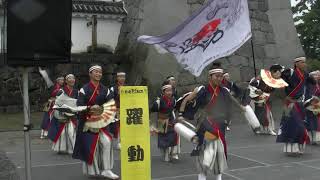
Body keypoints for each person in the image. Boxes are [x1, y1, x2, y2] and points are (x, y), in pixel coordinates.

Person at [178, 68, 243, 180]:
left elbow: (230, 103)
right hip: (206, 124)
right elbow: (191, 102)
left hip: (220, 125)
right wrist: (182, 115)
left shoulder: (224, 90)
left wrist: (235, 113)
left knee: (220, 152)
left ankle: (218, 177)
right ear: (210, 77)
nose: (219, 78)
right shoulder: (203, 89)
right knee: (206, 154)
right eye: (216, 76)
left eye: (221, 76)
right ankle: (202, 177)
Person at [72, 65, 118, 179]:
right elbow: (79, 105)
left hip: (101, 121)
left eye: (100, 72)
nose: (98, 74)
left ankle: (106, 170)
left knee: (107, 142)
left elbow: (111, 103)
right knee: (90, 146)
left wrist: (103, 109)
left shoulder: (105, 89)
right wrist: (90, 108)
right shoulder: (84, 89)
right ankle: (92, 170)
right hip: (88, 122)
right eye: (96, 72)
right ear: (90, 74)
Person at [276, 57, 313, 156]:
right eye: (302, 62)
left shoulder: (306, 75)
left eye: (305, 62)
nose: (305, 64)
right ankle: (290, 149)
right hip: (290, 103)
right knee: (291, 125)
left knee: (300, 126)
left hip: (300, 103)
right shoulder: (290, 72)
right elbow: (279, 83)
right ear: (296, 63)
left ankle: (298, 148)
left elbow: (312, 83)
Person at [248, 64, 284, 135]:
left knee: (267, 114)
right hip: (254, 99)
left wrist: (264, 96)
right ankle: (256, 129)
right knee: (255, 114)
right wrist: (257, 93)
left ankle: (269, 129)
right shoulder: (259, 78)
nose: (280, 73)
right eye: (278, 71)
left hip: (264, 99)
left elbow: (270, 90)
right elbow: (251, 87)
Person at [48, 74, 78, 154]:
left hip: (72, 115)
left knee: (71, 132)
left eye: (73, 78)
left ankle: (73, 149)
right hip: (62, 115)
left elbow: (79, 103)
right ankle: (62, 148)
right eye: (70, 79)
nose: (72, 80)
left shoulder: (76, 92)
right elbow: (57, 103)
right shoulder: (61, 91)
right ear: (66, 81)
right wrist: (61, 114)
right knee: (62, 133)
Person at [150, 84, 180, 162]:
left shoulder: (174, 100)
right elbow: (152, 110)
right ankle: (165, 154)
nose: (170, 92)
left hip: (171, 120)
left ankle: (170, 154)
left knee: (172, 136)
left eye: (171, 90)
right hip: (162, 120)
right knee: (163, 138)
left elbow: (174, 109)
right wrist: (152, 123)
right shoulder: (159, 101)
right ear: (163, 92)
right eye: (168, 91)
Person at [109, 71, 126, 150]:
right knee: (117, 126)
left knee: (125, 126)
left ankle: (123, 141)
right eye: (120, 77)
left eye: (123, 77)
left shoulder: (128, 88)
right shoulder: (113, 88)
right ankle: (118, 142)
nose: (122, 78)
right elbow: (111, 98)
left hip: (126, 109)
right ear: (117, 78)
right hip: (117, 110)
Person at [304, 70, 320, 144]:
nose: (317, 76)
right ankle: (310, 139)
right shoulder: (309, 84)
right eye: (315, 75)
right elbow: (308, 94)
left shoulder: (317, 84)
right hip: (309, 103)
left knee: (315, 121)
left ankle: (314, 139)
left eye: (318, 75)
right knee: (310, 121)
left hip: (316, 104)